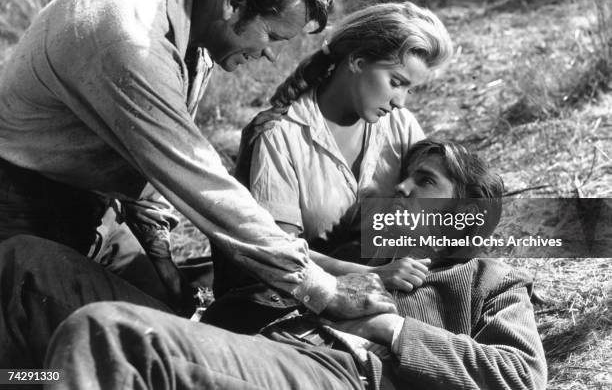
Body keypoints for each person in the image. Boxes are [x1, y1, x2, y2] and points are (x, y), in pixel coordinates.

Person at [0, 0, 394, 318]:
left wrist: (158, 251)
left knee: (173, 316)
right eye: (272, 37)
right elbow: (200, 181)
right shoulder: (134, 43)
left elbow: (149, 161)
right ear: (234, 3)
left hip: (94, 205)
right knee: (132, 343)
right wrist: (319, 288)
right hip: (21, 207)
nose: (272, 55)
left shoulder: (195, 21)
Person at [42, 140, 547, 390]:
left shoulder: (490, 279)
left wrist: (391, 326)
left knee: (105, 333)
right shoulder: (370, 258)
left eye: (426, 180)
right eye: (405, 178)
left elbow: (523, 376)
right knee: (29, 264)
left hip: (339, 370)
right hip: (255, 343)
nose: (404, 189)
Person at [208, 1, 453, 331]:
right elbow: (278, 256)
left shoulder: (401, 126)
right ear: (357, 61)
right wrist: (369, 274)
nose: (400, 101)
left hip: (380, 293)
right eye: (396, 82)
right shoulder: (280, 135)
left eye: (409, 88)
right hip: (287, 305)